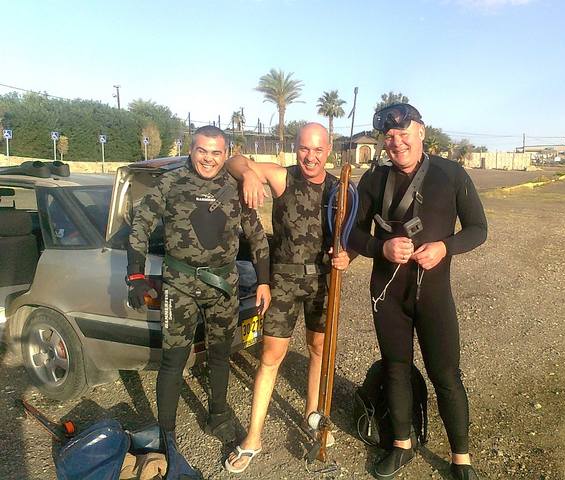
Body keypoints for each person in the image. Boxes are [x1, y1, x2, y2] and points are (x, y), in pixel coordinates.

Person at [348, 104, 487, 480]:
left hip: (434, 295)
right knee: (395, 368)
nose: (397, 142)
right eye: (390, 136)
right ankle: (402, 445)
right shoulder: (374, 179)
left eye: (404, 133)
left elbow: (478, 229)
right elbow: (353, 233)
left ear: (421, 132)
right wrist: (381, 248)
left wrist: (445, 247)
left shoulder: (451, 174)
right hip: (387, 294)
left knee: (446, 375)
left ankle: (461, 459)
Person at [126, 125, 271, 455]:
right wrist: (135, 275)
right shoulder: (171, 182)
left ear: (226, 153)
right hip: (180, 285)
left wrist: (263, 280)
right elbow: (141, 225)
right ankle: (166, 433)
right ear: (191, 150)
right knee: (173, 360)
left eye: (216, 152)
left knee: (220, 354)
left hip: (223, 287)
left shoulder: (235, 188)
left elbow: (257, 237)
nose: (208, 158)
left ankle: (218, 416)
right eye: (202, 151)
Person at [223, 122, 350, 473]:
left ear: (329, 150)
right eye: (304, 148)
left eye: (318, 149)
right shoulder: (282, 177)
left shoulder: (340, 189)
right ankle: (253, 437)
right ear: (296, 148)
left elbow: (352, 234)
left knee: (319, 349)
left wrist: (347, 255)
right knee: (270, 356)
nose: (311, 156)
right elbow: (233, 161)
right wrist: (249, 174)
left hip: (323, 281)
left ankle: (312, 413)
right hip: (283, 281)